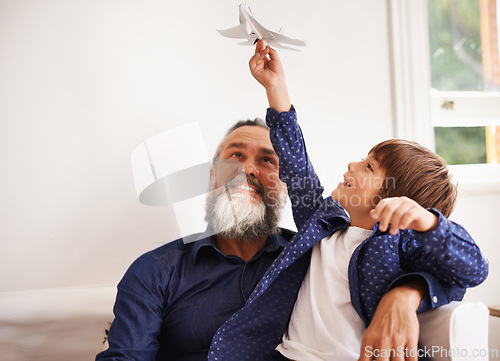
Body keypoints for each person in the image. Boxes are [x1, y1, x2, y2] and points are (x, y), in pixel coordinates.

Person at [96, 49, 469, 361]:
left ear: (285, 187)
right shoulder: (155, 272)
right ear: (212, 176)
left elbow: (455, 271)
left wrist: (407, 292)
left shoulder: (307, 247)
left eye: (267, 160)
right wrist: (277, 88)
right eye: (235, 156)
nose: (247, 170)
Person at [206, 41, 488, 361]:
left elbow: (474, 268)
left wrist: (428, 222)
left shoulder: (399, 244)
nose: (353, 165)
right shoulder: (321, 222)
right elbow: (297, 163)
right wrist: (277, 87)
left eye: (369, 166)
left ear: (394, 197)